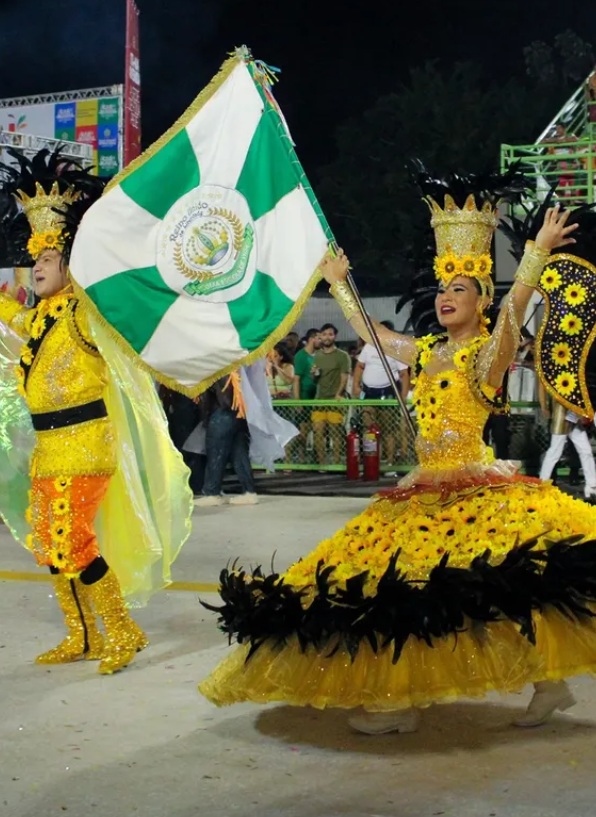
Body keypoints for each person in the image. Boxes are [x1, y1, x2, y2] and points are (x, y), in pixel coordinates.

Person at [199, 169, 596, 735]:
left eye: (460, 289)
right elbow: (375, 336)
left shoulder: (487, 353)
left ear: (482, 301)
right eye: (442, 287)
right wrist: (339, 281)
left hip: (476, 488)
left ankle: (400, 704)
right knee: (404, 591)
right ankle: (539, 688)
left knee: (483, 587)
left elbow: (513, 318)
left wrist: (533, 256)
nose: (445, 296)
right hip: (421, 485)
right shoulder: (426, 349)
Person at [0, 148, 192, 673]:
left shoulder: (87, 315)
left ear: (71, 265)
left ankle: (123, 630)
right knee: (49, 542)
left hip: (86, 444)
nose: (36, 267)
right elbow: (8, 320)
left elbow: (130, 324)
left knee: (71, 538)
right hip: (47, 450)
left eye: (47, 259)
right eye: (33, 259)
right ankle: (81, 636)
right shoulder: (38, 321)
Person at [352, 319, 411, 465]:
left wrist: (403, 396)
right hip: (368, 393)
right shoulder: (369, 347)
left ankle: (390, 462)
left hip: (388, 393)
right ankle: (371, 461)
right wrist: (355, 385)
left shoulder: (395, 349)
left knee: (388, 429)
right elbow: (359, 366)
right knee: (368, 428)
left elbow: (404, 374)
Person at [195, 374, 259, 506]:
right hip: (239, 412)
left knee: (215, 452)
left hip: (222, 412)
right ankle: (249, 491)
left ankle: (212, 492)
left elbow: (221, 396)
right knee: (239, 453)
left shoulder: (219, 368)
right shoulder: (238, 368)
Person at [538, 382, 596, 502]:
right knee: (555, 452)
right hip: (563, 415)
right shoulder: (563, 375)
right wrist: (544, 406)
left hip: (574, 417)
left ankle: (591, 487)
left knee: (586, 451)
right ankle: (542, 485)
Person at [311, 322, 351, 464]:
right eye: (324, 334)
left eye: (330, 334)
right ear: (320, 336)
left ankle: (336, 462)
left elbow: (344, 376)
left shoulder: (342, 356)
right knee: (318, 431)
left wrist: (338, 394)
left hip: (335, 400)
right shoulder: (317, 356)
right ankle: (322, 462)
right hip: (319, 399)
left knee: (336, 432)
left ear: (335, 336)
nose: (327, 337)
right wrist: (314, 374)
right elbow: (315, 379)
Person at [292, 328, 321, 461]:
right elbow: (296, 379)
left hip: (316, 398)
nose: (320, 341)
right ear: (311, 339)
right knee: (303, 430)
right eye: (318, 338)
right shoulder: (300, 356)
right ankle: (301, 457)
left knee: (316, 429)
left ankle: (314, 457)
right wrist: (298, 401)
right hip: (304, 397)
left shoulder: (318, 355)